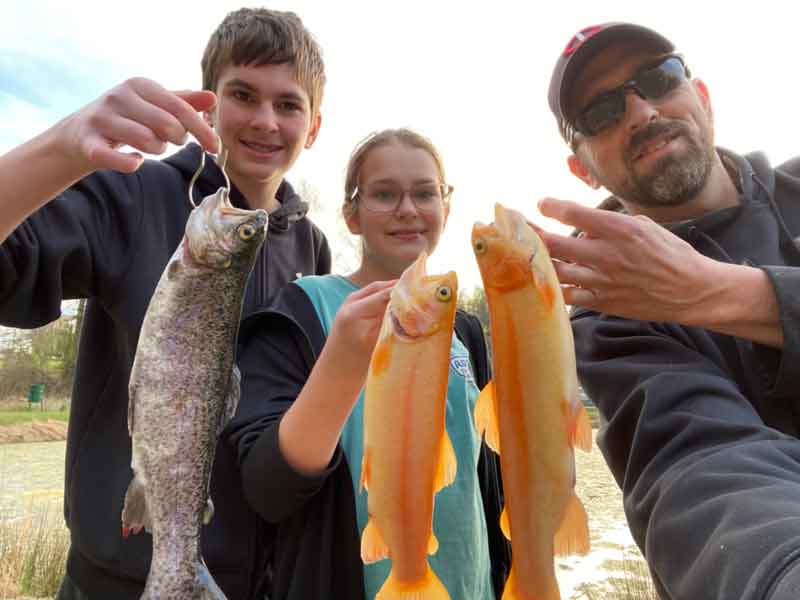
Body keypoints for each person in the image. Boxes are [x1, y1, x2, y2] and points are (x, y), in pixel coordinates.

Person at [0, 7, 331, 599]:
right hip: (116, 579)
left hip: (255, 584)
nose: (264, 120)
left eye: (288, 104)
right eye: (243, 94)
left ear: (313, 127)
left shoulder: (314, 246)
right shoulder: (130, 194)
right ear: (207, 104)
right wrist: (67, 146)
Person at [536, 21, 800, 599]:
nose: (640, 112)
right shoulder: (608, 320)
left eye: (658, 78)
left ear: (700, 96)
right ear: (581, 169)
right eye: (601, 112)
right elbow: (703, 471)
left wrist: (716, 292)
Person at [231, 128, 512, 600]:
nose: (408, 209)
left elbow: (489, 479)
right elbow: (266, 489)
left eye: (425, 193)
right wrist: (341, 362)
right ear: (351, 215)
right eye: (384, 194)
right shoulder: (303, 311)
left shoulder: (464, 331)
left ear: (446, 206)